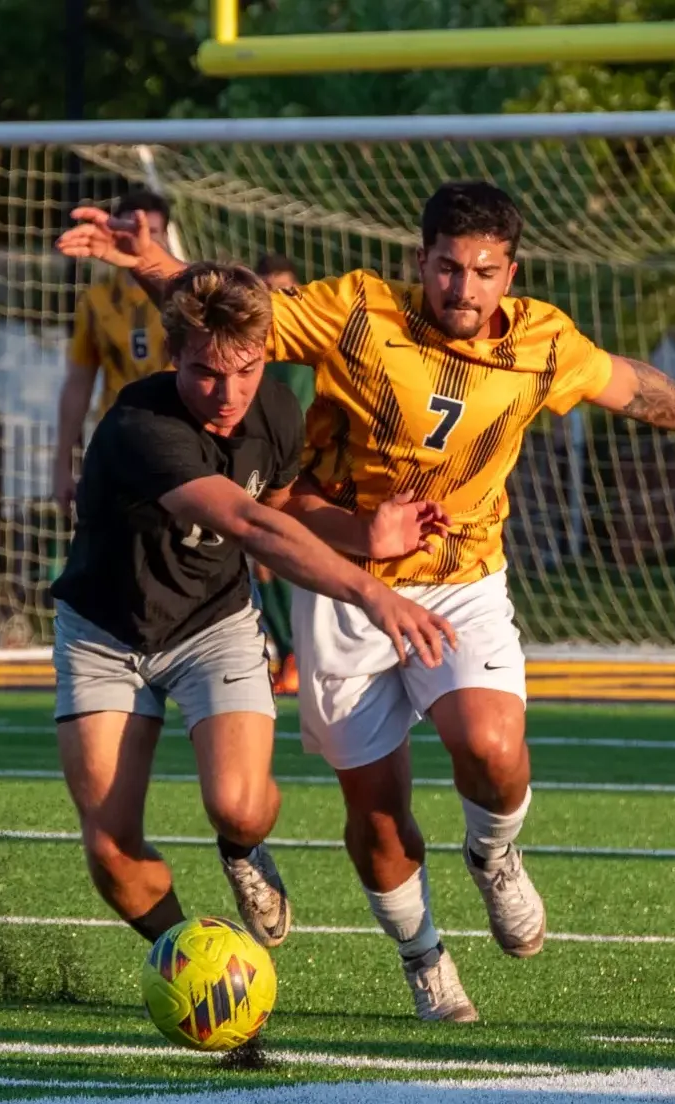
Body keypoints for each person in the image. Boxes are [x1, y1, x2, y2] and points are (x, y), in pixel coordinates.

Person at [59, 182, 675, 1020]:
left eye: (484, 272)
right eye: (448, 268)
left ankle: (496, 853)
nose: (464, 288)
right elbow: (232, 317)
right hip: (341, 583)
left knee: (489, 741)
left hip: (461, 576)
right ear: (423, 261)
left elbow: (627, 382)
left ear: (509, 272)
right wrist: (149, 260)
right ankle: (426, 960)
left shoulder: (544, 342)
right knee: (377, 817)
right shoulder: (357, 313)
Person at [49, 260, 457, 950]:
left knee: (239, 809)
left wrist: (366, 535)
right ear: (174, 353)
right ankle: (188, 957)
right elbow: (250, 527)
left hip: (213, 625)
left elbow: (281, 506)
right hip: (104, 634)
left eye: (247, 369)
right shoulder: (140, 423)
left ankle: (241, 853)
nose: (228, 392)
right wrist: (372, 590)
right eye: (206, 372)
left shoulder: (275, 408)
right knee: (113, 850)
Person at [53, 190, 175, 510]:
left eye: (153, 231)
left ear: (166, 236)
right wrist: (62, 462)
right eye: (133, 230)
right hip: (117, 443)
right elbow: (78, 383)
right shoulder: (96, 301)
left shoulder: (184, 299)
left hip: (178, 443)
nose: (143, 239)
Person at [254, 252, 317, 695]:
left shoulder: (301, 346)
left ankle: (299, 654)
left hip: (303, 465)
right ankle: (289, 655)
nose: (276, 298)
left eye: (284, 290)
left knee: (287, 561)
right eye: (267, 289)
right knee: (262, 563)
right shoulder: (251, 344)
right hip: (262, 460)